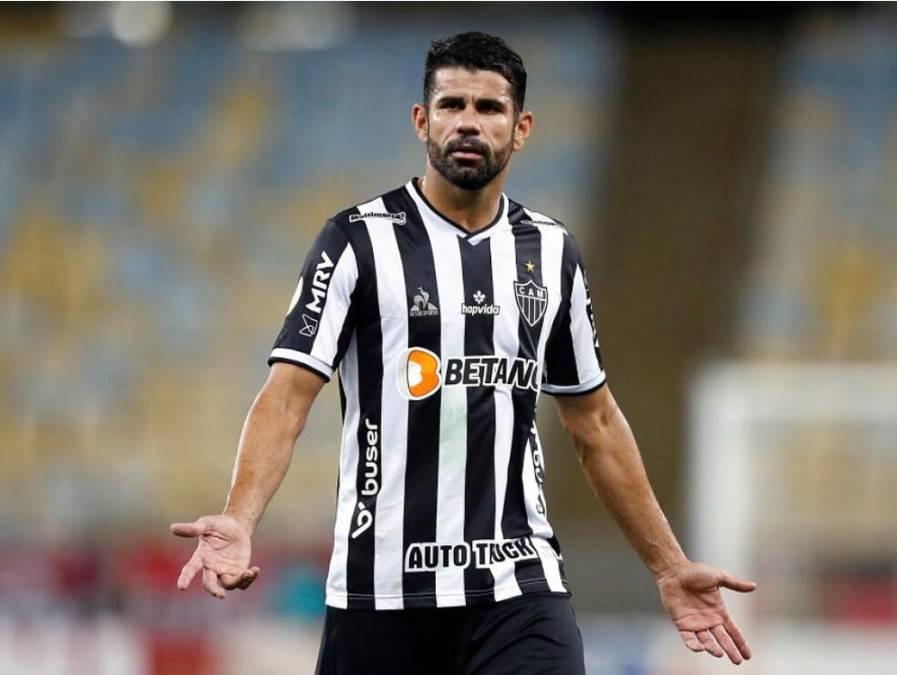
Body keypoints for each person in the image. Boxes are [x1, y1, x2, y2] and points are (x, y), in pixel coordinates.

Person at [170, 31, 755, 674]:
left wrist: (668, 566)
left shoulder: (551, 252)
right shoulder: (357, 240)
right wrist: (240, 517)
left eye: (489, 107)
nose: (468, 123)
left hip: (518, 589)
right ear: (422, 121)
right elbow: (286, 398)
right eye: (451, 105)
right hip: (380, 593)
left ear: (521, 128)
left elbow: (595, 422)